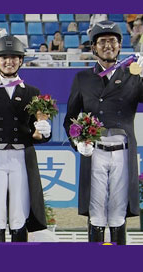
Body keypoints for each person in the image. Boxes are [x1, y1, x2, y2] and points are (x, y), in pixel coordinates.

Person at [63, 21, 143, 245]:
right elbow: (70, 117)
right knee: (96, 208)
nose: (108, 45)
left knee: (118, 208)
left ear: (119, 46)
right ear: (94, 47)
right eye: (103, 41)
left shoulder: (133, 75)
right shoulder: (83, 78)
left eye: (113, 41)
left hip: (122, 150)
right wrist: (77, 142)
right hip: (94, 151)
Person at [0, 36, 51, 242]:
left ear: (21, 61)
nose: (9, 61)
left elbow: (37, 135)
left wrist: (45, 131)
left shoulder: (33, 93)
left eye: (14, 57)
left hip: (21, 157)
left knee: (19, 214)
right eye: (4, 58)